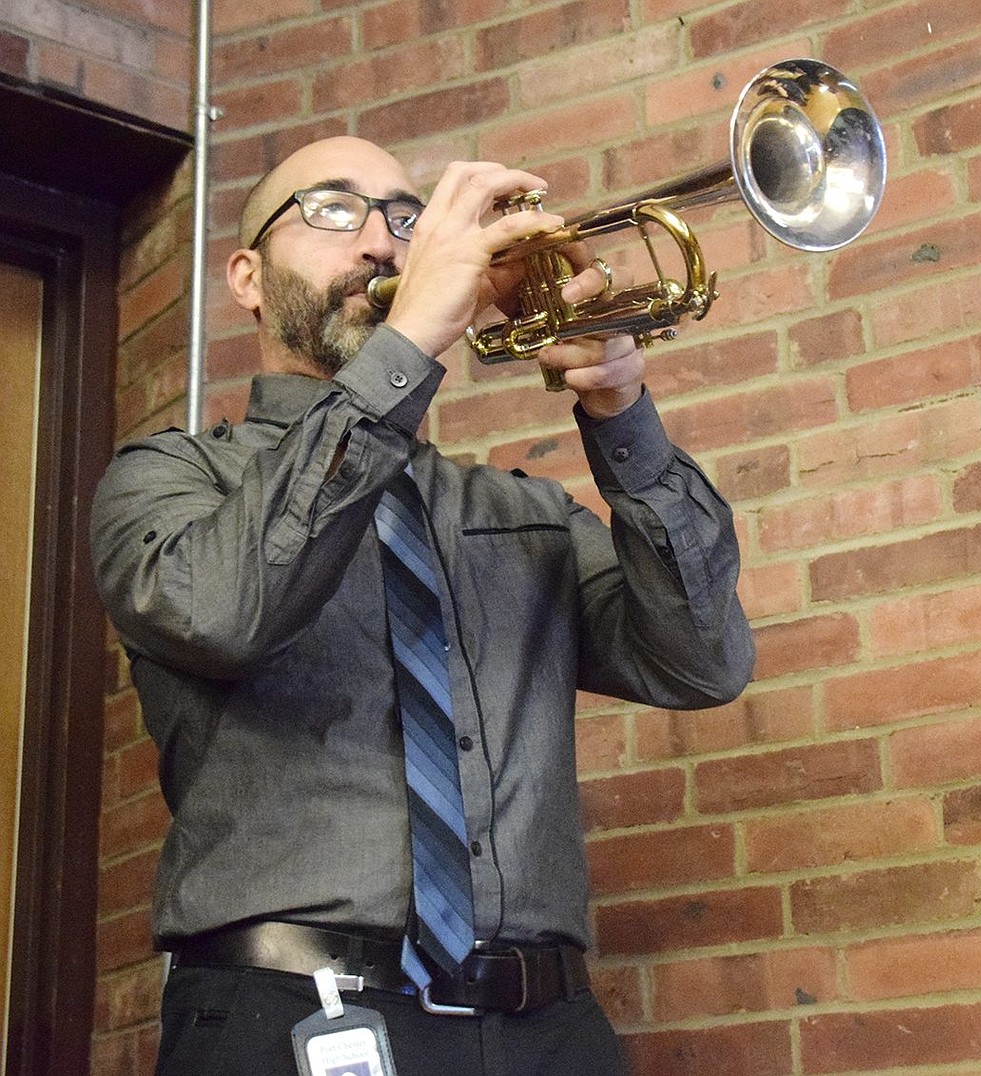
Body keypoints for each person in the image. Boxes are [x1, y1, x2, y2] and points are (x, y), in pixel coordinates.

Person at [90, 135, 754, 1076]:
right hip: (281, 1021)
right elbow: (223, 613)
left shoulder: (522, 513)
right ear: (245, 278)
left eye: (406, 218)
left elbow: (704, 661)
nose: (380, 243)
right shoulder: (170, 481)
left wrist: (622, 411)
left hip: (547, 1035)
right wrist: (405, 353)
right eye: (332, 210)